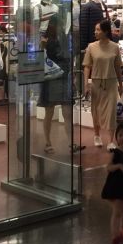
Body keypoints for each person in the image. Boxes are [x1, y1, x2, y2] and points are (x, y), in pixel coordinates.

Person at [39, 15, 83, 154]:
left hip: (63, 76)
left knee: (66, 112)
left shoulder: (64, 38)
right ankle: (48, 142)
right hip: (52, 77)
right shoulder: (47, 40)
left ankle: (70, 143)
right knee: (50, 111)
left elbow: (70, 55)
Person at [83, 19, 123, 149]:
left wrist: (121, 85)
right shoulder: (91, 47)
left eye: (98, 29)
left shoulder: (115, 47)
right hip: (96, 82)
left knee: (111, 111)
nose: (95, 32)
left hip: (111, 83)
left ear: (105, 31)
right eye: (95, 29)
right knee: (96, 110)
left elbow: (118, 67)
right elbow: (87, 66)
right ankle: (97, 135)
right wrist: (86, 84)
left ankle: (111, 140)